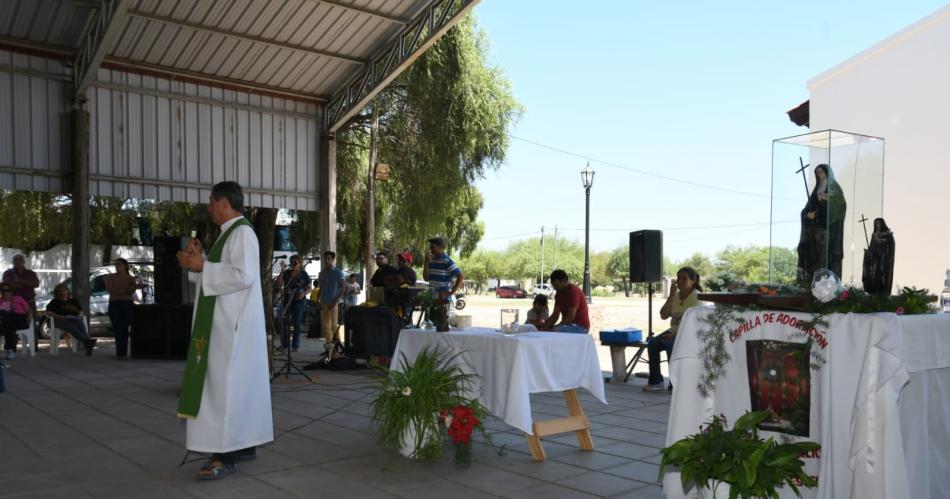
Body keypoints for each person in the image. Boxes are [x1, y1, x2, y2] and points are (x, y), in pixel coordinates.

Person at [175, 181, 273, 480]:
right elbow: (222, 275)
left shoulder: (242, 233)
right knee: (231, 389)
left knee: (225, 390)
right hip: (222, 325)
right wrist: (200, 263)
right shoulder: (228, 234)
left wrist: (203, 266)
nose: (209, 208)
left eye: (211, 202)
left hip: (233, 328)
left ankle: (226, 453)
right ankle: (244, 445)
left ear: (223, 203)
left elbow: (242, 275)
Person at [643, 267, 702, 392]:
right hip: (674, 331)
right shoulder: (675, 296)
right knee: (652, 344)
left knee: (671, 345)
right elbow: (664, 315)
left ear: (693, 281)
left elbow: (696, 323)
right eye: (678, 278)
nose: (680, 281)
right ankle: (656, 381)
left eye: (684, 278)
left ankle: (675, 385)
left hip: (689, 333)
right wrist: (670, 295)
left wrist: (676, 336)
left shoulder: (697, 297)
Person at [797, 163, 846, 286]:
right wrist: (808, 215)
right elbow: (807, 208)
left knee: (825, 258)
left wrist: (827, 200)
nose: (820, 175)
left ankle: (825, 284)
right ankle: (811, 283)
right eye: (818, 173)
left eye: (822, 172)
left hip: (827, 230)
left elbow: (840, 205)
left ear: (827, 173)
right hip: (815, 230)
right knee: (813, 256)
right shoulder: (817, 189)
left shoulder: (834, 187)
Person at [44, 283, 97, 356]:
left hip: (72, 319)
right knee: (68, 324)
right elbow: (48, 312)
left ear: (67, 291)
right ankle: (87, 342)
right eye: (60, 291)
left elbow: (80, 311)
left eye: (64, 290)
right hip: (57, 321)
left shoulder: (73, 301)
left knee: (80, 324)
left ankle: (87, 343)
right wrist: (59, 316)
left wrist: (80, 315)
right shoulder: (54, 302)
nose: (62, 292)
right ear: (57, 293)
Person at [105, 258, 142, 360]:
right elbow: (111, 291)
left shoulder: (131, 278)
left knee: (125, 329)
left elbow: (131, 292)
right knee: (117, 328)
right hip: (114, 304)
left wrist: (132, 288)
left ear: (125, 266)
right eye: (116, 265)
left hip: (126, 304)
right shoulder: (111, 277)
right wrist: (127, 289)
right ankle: (119, 353)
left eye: (119, 264)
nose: (117, 266)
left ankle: (123, 353)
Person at [274, 254, 311, 352]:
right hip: (287, 301)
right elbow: (278, 285)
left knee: (297, 324)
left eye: (296, 262)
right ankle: (285, 345)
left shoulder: (304, 274)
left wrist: (303, 294)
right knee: (284, 323)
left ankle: (295, 346)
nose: (294, 264)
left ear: (300, 263)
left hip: (299, 301)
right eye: (292, 262)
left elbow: (309, 288)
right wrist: (282, 270)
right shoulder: (286, 273)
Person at [539, 269, 590, 333]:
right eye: (553, 285)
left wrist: (555, 327)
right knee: (546, 329)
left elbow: (570, 317)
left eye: (556, 285)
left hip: (581, 327)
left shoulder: (574, 292)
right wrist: (545, 325)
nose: (555, 288)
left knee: (552, 330)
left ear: (564, 281)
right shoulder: (558, 294)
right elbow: (555, 315)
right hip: (567, 325)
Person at [316, 250, 345, 356]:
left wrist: (336, 301)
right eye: (325, 258)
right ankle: (329, 348)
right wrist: (318, 301)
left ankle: (337, 348)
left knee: (333, 326)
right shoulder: (321, 273)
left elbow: (343, 288)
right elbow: (320, 288)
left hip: (333, 302)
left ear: (332, 260)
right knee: (325, 327)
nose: (327, 260)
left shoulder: (337, 272)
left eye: (329, 259)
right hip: (323, 302)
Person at [862, 218, 895, 296]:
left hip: (881, 260)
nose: (877, 225)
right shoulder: (874, 234)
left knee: (879, 275)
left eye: (878, 223)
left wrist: (882, 241)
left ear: (882, 224)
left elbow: (890, 245)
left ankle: (879, 291)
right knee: (871, 275)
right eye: (876, 223)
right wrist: (868, 251)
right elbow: (872, 246)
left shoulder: (887, 234)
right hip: (873, 259)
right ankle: (873, 290)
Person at [1, 283, 30, 359]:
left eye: (8, 290)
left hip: (20, 320)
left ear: (11, 291)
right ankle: (9, 350)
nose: (5, 292)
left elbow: (28, 310)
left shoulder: (18, 298)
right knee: (7, 323)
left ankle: (9, 349)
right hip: (6, 323)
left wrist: (30, 315)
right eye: (3, 290)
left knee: (7, 317)